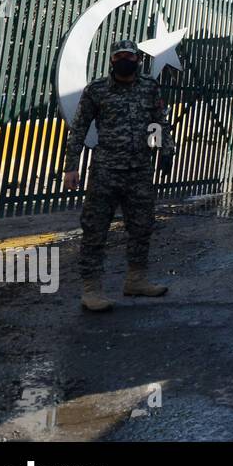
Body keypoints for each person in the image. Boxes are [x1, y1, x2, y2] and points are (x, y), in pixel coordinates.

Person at [63, 39, 176, 313]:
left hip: (139, 169)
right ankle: (91, 289)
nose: (126, 60)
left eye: (130, 56)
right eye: (120, 56)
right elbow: (78, 128)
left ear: (138, 59)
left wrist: (166, 149)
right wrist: (71, 166)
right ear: (112, 60)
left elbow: (159, 120)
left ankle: (136, 279)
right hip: (106, 170)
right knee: (95, 229)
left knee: (142, 226)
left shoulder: (149, 87)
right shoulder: (97, 90)